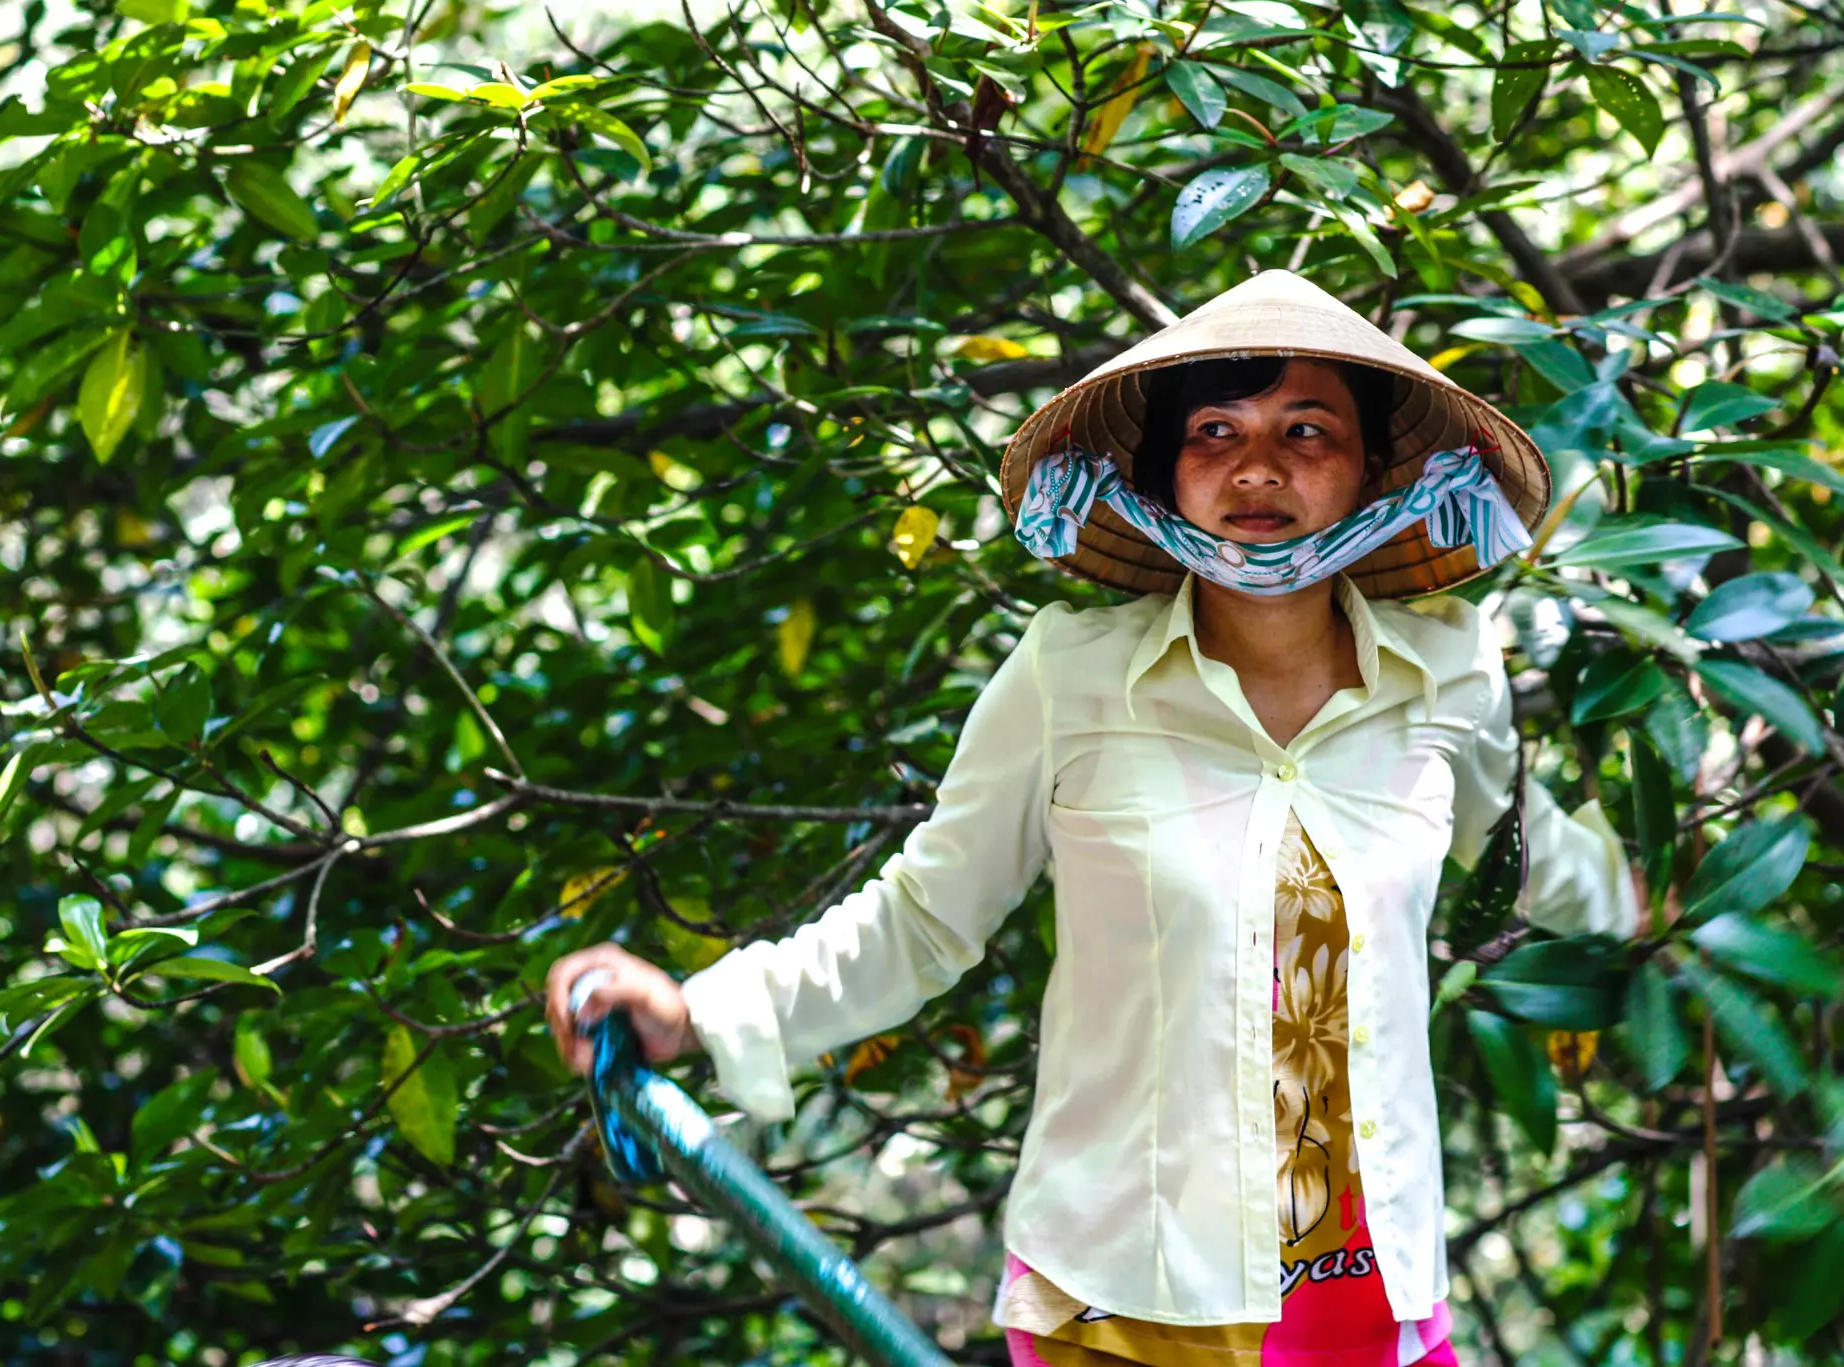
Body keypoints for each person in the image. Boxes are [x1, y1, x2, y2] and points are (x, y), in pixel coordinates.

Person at [545, 270, 1641, 1366]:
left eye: (1307, 430)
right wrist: (693, 1011)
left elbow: (1522, 851)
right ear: (1164, 469)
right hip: (1126, 1301)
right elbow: (925, 918)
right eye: (1216, 430)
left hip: (1371, 1297)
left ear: (1370, 470)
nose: (1259, 467)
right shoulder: (1069, 676)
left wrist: (1667, 898)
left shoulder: (1447, 669)